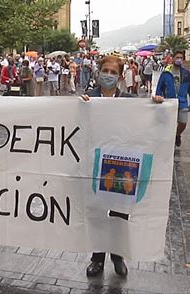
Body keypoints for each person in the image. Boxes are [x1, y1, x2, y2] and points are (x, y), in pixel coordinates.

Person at [80, 55, 131, 278]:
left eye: (113, 72)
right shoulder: (88, 98)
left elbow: (147, 122)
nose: (108, 75)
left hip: (120, 164)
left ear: (119, 76)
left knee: (120, 214)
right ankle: (97, 258)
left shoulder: (129, 100)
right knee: (98, 213)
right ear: (98, 72)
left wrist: (157, 105)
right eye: (105, 71)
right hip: (95, 164)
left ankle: (118, 256)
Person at [153, 50, 190, 147]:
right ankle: (170, 141)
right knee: (169, 124)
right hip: (169, 102)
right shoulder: (166, 73)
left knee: (183, 122)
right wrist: (158, 97)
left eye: (181, 58)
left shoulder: (186, 73)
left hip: (182, 102)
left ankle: (177, 134)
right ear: (172, 59)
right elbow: (160, 87)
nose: (179, 60)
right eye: (177, 58)